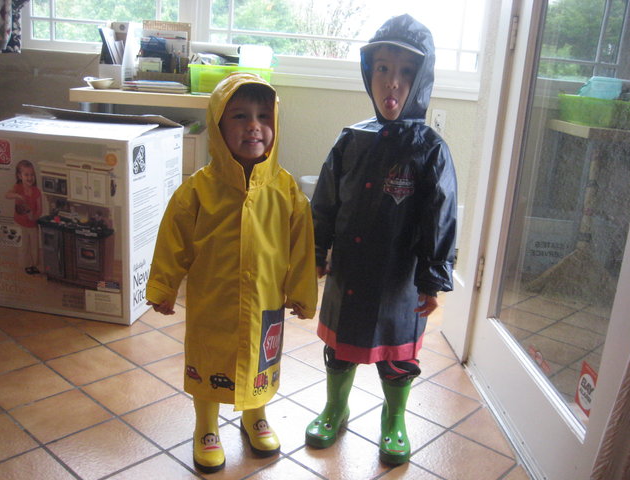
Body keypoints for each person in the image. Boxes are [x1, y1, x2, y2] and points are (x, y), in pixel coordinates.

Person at [146, 72, 317, 474]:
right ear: (217, 125)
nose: (254, 126)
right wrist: (163, 286)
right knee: (208, 359)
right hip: (212, 302)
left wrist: (302, 293)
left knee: (261, 360)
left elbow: (301, 247)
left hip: (265, 302)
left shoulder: (286, 190)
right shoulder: (198, 191)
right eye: (240, 116)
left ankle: (255, 414)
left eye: (264, 116)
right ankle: (206, 426)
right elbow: (173, 241)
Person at [305, 14, 457, 465]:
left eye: (406, 72)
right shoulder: (351, 140)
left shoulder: (430, 149)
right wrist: (316, 250)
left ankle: (394, 420)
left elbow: (441, 216)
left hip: (399, 280)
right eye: (383, 69)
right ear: (368, 73)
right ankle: (335, 407)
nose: (392, 82)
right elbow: (325, 201)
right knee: (341, 347)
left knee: (397, 355)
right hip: (349, 273)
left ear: (421, 79)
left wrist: (432, 277)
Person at [5, 159, 42, 274]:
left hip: (32, 224)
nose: (30, 177)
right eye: (26, 175)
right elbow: (7, 195)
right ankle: (27, 265)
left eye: (32, 174)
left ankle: (34, 264)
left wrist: (33, 217)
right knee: (23, 246)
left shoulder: (36, 192)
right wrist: (18, 196)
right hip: (20, 223)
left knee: (34, 246)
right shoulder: (17, 188)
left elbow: (39, 210)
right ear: (19, 176)